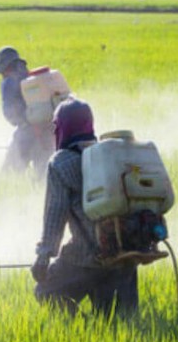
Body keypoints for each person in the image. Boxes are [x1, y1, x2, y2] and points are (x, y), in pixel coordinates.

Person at [30, 98, 139, 318]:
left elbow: (55, 216)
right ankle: (93, 334)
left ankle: (85, 327)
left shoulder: (61, 162)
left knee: (46, 291)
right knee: (121, 326)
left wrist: (43, 256)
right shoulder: (110, 155)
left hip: (85, 257)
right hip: (126, 254)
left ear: (62, 128)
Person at [0, 46, 54, 176]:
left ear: (6, 67)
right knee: (43, 175)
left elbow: (10, 114)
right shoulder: (30, 77)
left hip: (26, 133)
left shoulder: (8, 82)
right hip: (47, 130)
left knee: (9, 174)